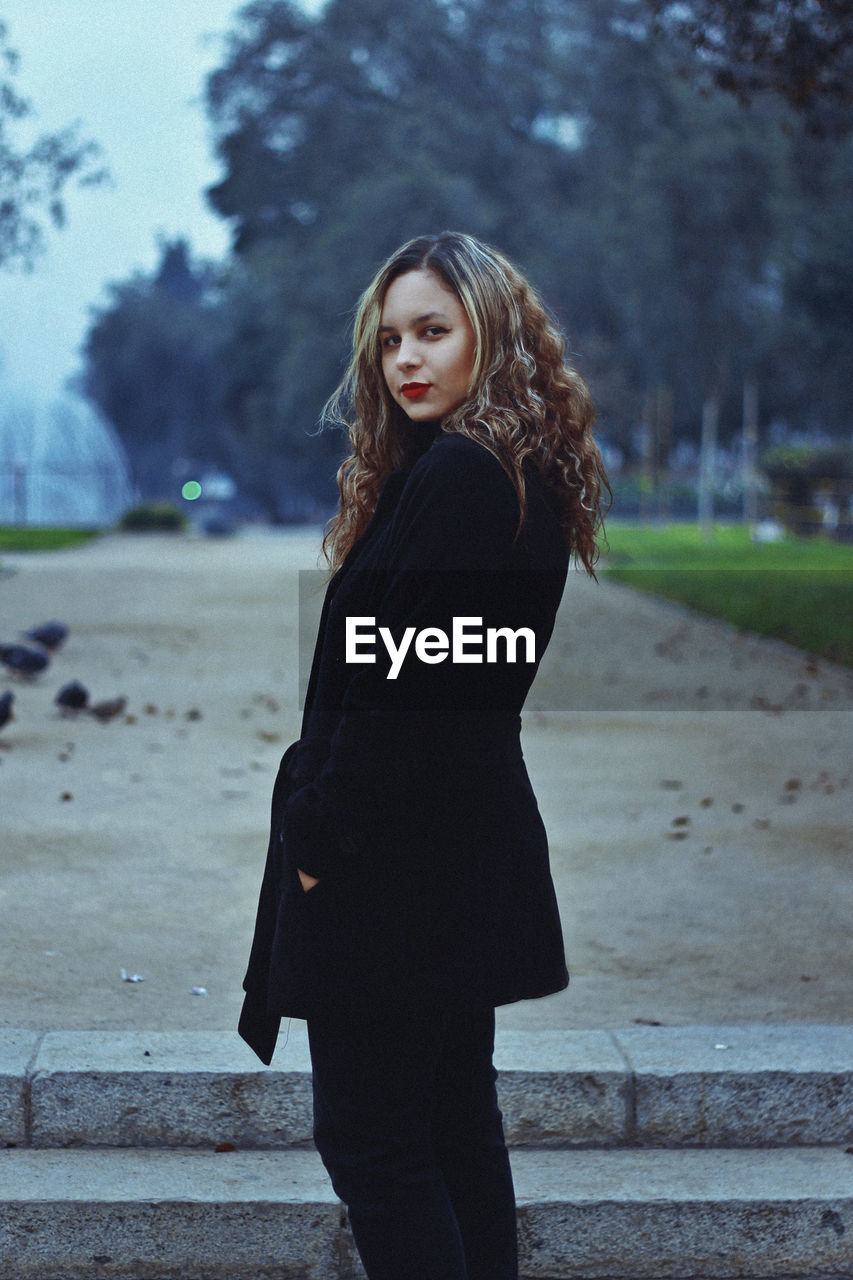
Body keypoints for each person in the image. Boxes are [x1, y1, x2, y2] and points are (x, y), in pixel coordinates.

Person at [238, 231, 610, 1280]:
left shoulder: (464, 476)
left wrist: (317, 832)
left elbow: (407, 687)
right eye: (391, 337)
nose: (405, 357)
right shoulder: (504, 467)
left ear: (490, 336)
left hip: (394, 858)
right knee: (448, 1126)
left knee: (374, 1142)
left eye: (433, 332)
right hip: (449, 843)